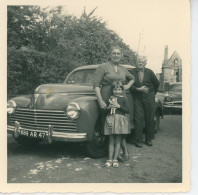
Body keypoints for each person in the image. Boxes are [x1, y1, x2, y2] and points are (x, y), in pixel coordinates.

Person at [93, 45, 135, 162]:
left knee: (120, 126)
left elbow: (132, 78)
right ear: (109, 55)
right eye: (114, 53)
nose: (116, 55)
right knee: (109, 126)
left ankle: (123, 151)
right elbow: (96, 85)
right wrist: (100, 100)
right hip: (107, 98)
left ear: (121, 55)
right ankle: (113, 155)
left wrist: (127, 86)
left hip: (121, 98)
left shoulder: (123, 68)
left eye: (118, 54)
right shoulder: (103, 67)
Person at [130, 55, 159, 147]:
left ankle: (148, 139)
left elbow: (156, 83)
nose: (140, 63)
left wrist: (152, 94)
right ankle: (138, 140)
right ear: (136, 62)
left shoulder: (149, 72)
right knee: (138, 118)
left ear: (145, 63)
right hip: (138, 97)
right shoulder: (131, 72)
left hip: (149, 97)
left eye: (142, 62)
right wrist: (137, 89)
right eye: (139, 61)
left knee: (149, 118)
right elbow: (129, 85)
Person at [103, 81, 130, 167]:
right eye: (115, 89)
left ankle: (115, 159)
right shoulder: (110, 98)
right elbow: (106, 110)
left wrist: (119, 106)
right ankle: (110, 159)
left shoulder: (123, 99)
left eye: (119, 89)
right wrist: (108, 107)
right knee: (111, 141)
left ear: (122, 90)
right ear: (112, 90)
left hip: (119, 120)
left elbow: (128, 110)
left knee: (118, 141)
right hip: (111, 119)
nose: (117, 91)